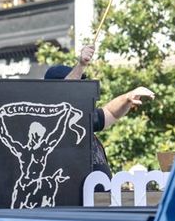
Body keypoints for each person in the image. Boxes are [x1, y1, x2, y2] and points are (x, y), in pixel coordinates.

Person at [44, 44, 156, 175]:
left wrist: (127, 97)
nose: (80, 91)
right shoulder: (51, 128)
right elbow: (63, 96)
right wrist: (81, 65)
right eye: (78, 84)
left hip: (101, 194)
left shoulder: (82, 120)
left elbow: (110, 112)